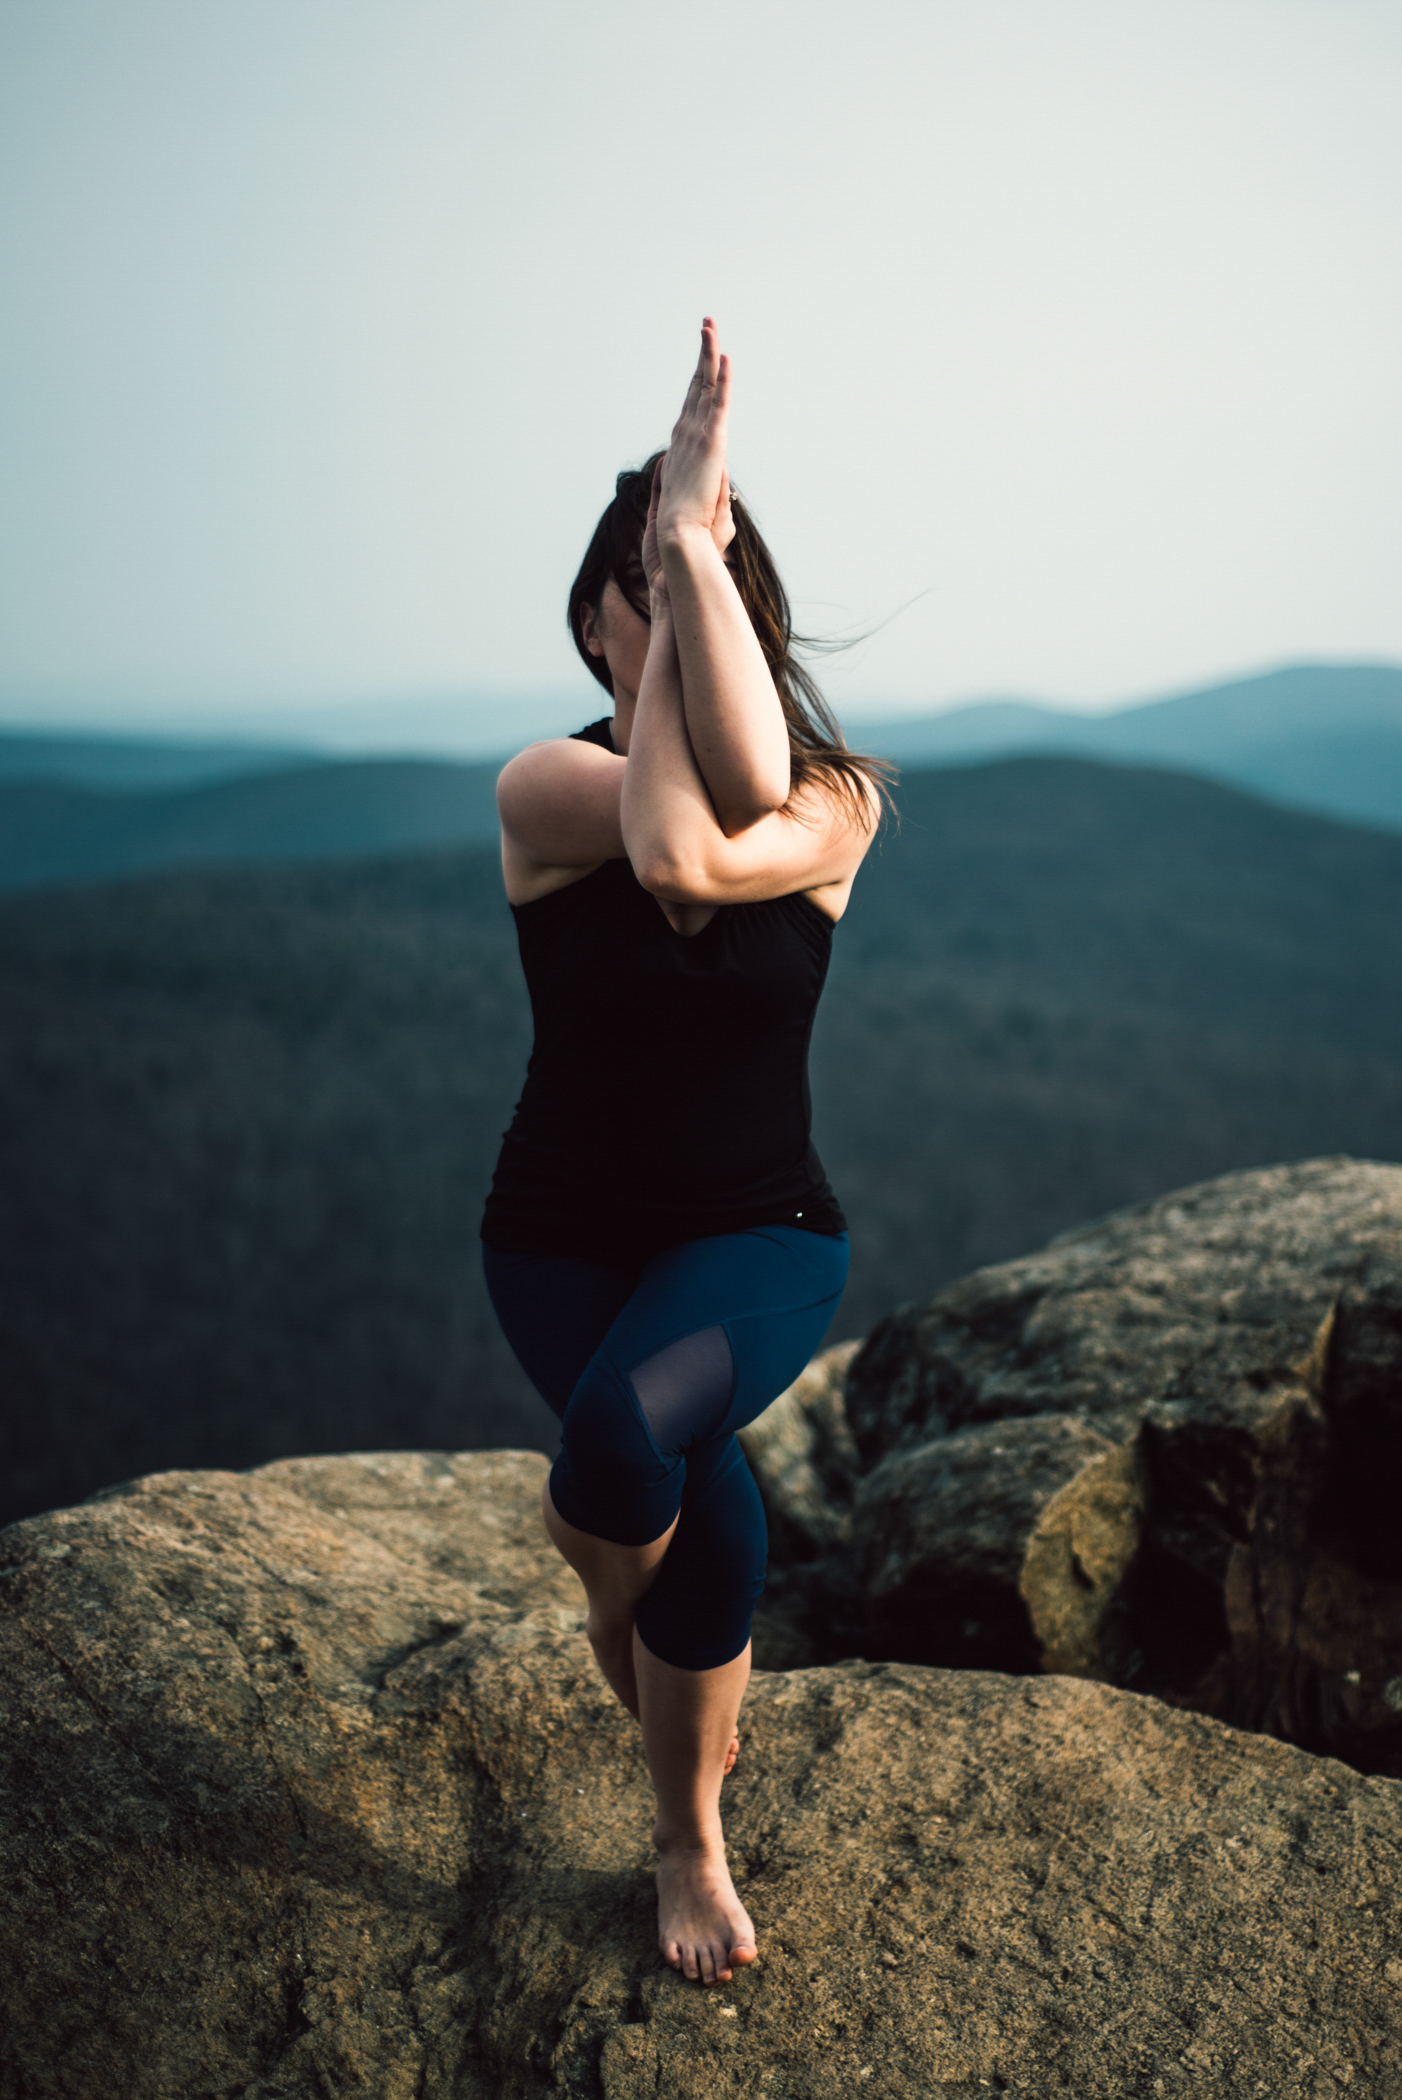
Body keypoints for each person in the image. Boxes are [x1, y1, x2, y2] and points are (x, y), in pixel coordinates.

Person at [480, 320, 888, 1987]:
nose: (650, 603)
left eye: (687, 582)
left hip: (760, 1235)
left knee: (622, 1435)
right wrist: (676, 586)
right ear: (588, 621)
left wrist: (690, 544)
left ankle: (681, 1832)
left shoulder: (838, 803)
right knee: (696, 1536)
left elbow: (703, 854)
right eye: (633, 583)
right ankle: (673, 1762)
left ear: (743, 610)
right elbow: (654, 835)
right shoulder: (538, 784)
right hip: (558, 1235)